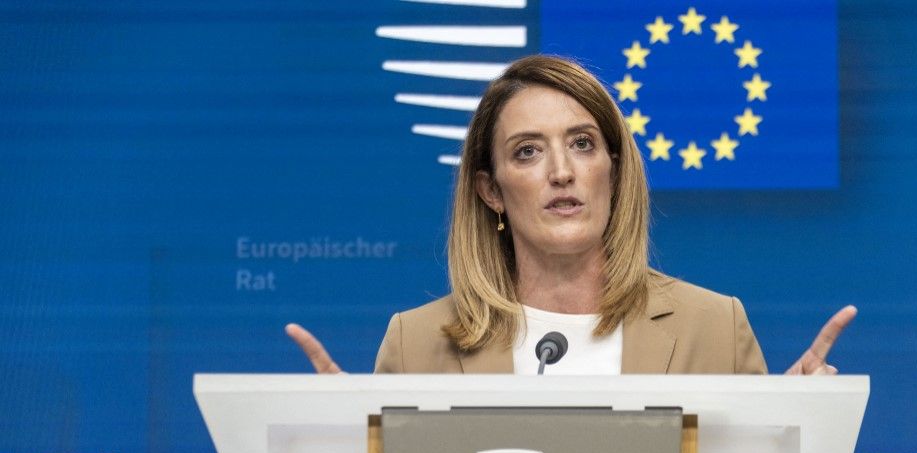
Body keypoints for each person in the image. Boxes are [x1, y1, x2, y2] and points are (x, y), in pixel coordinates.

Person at [286, 54, 856, 376]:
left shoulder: (713, 328)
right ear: (491, 190)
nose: (562, 171)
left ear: (613, 166)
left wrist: (802, 445)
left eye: (582, 143)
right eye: (527, 151)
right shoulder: (417, 343)